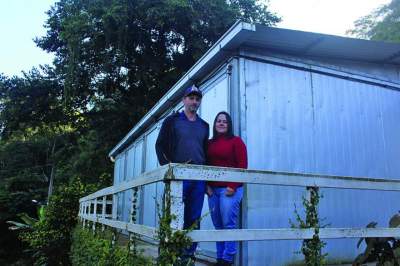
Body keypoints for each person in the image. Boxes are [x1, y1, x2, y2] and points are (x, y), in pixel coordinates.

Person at [155, 85, 209, 262]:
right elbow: (160, 145)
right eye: (191, 98)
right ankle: (170, 254)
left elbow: (206, 152)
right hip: (178, 176)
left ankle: (188, 255)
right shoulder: (172, 121)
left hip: (199, 177)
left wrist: (207, 180)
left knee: (194, 217)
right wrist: (168, 168)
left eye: (197, 98)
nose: (194, 101)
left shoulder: (204, 126)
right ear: (184, 100)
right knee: (173, 215)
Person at [206, 111, 248, 266]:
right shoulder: (209, 143)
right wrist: (206, 186)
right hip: (212, 192)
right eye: (219, 121)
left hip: (230, 190)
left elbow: (242, 165)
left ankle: (227, 259)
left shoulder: (236, 141)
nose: (222, 123)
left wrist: (233, 186)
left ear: (229, 124)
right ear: (215, 124)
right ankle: (219, 258)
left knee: (228, 224)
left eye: (225, 121)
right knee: (218, 225)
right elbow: (204, 165)